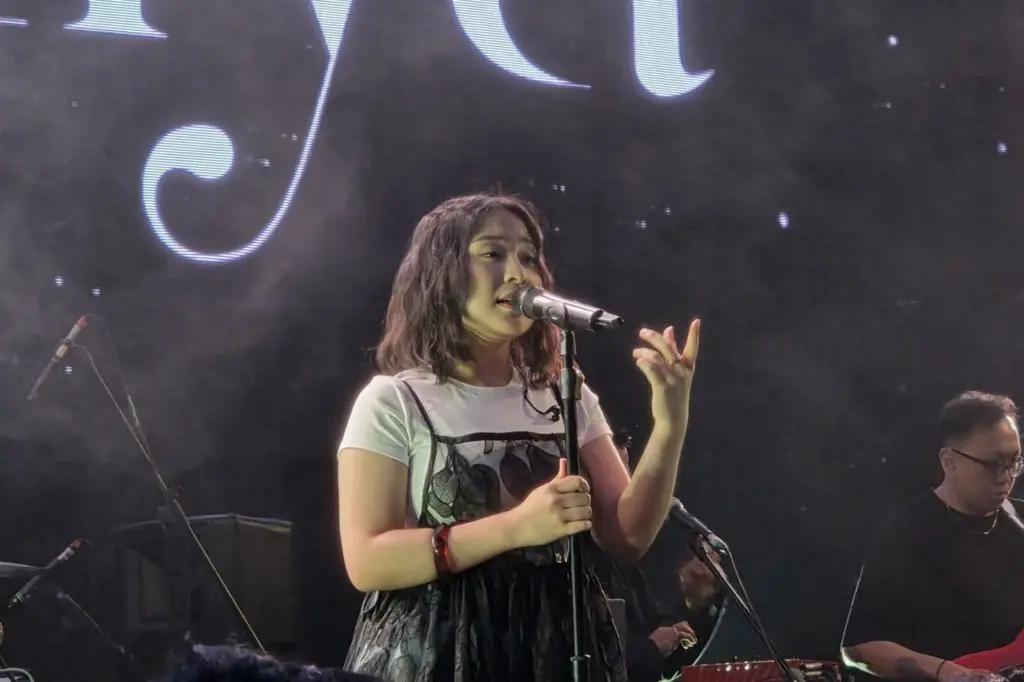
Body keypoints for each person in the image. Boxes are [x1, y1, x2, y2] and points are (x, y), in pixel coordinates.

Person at [336, 192, 701, 682]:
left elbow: (627, 536)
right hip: (441, 653)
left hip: (558, 649)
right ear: (441, 273)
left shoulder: (565, 395)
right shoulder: (394, 401)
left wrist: (670, 425)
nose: (518, 273)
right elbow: (367, 560)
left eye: (529, 258)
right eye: (493, 253)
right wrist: (514, 528)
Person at [841, 391, 1024, 682]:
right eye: (993, 464)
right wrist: (948, 672)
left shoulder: (1019, 522)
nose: (1006, 476)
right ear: (949, 461)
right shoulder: (905, 534)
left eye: (1014, 461)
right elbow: (860, 648)